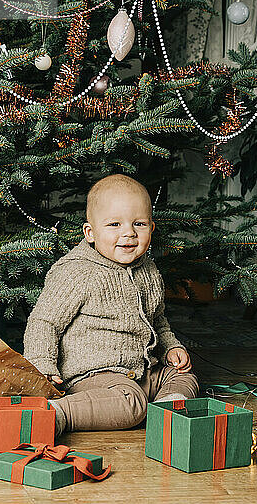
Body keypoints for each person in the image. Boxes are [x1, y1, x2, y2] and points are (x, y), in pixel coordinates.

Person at [23, 174, 198, 435]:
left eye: (138, 224)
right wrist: (42, 365)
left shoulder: (149, 270)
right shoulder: (77, 272)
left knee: (184, 377)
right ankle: (59, 413)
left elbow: (158, 320)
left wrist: (171, 348)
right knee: (131, 404)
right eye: (114, 224)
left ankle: (165, 409)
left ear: (152, 227)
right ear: (90, 233)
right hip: (94, 375)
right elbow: (44, 322)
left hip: (143, 369)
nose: (128, 233)